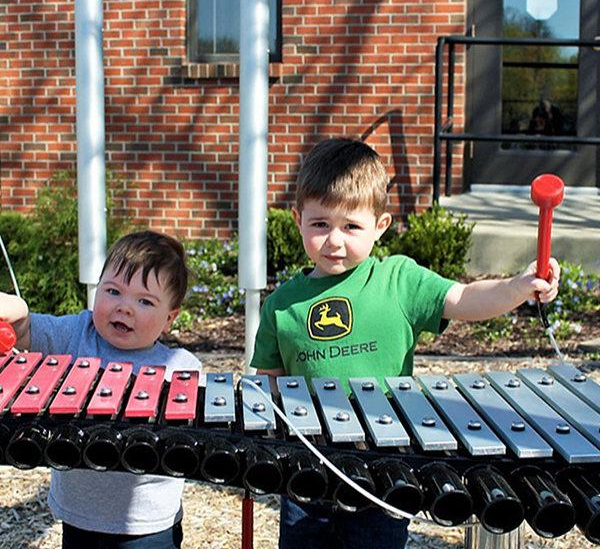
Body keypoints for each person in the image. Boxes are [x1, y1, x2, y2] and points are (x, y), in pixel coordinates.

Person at [250, 138, 560, 549]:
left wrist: (518, 287)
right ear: (298, 219)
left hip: (384, 466)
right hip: (308, 470)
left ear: (381, 226)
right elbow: (269, 386)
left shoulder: (399, 281)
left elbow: (465, 298)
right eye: (320, 224)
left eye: (351, 226)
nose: (334, 241)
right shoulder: (281, 305)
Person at [0, 231, 202, 549]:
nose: (125, 307)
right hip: (79, 517)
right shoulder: (76, 334)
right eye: (113, 291)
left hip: (148, 525)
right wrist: (18, 313)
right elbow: (27, 330)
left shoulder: (181, 367)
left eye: (145, 301)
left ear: (169, 318)